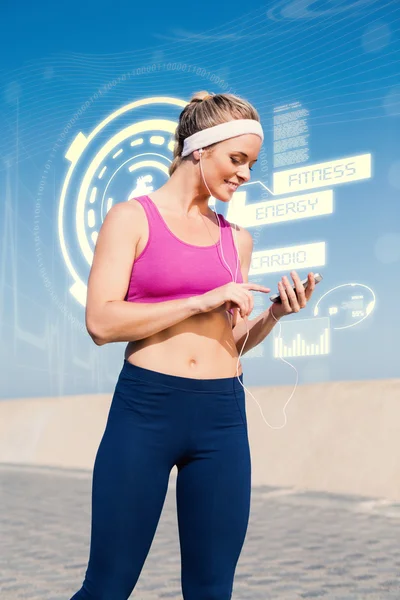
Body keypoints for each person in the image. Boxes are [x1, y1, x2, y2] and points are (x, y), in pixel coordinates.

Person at [70, 91, 316, 600]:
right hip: (147, 410)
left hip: (222, 420)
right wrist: (200, 300)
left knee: (211, 591)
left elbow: (230, 338)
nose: (246, 174)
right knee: (106, 588)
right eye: (237, 159)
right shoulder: (131, 218)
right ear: (199, 149)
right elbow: (101, 321)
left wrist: (274, 313)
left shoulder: (236, 239)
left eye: (252, 163)